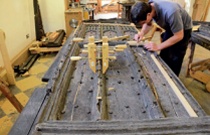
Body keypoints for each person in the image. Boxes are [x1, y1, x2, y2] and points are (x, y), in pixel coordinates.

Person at [130, 0, 192, 76]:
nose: (143, 24)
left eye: (142, 23)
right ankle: (163, 75)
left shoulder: (171, 12)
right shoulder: (149, 7)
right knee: (164, 54)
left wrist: (158, 46)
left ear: (149, 15)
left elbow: (179, 36)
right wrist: (141, 33)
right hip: (170, 27)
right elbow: (148, 23)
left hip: (183, 30)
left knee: (175, 58)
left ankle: (173, 80)